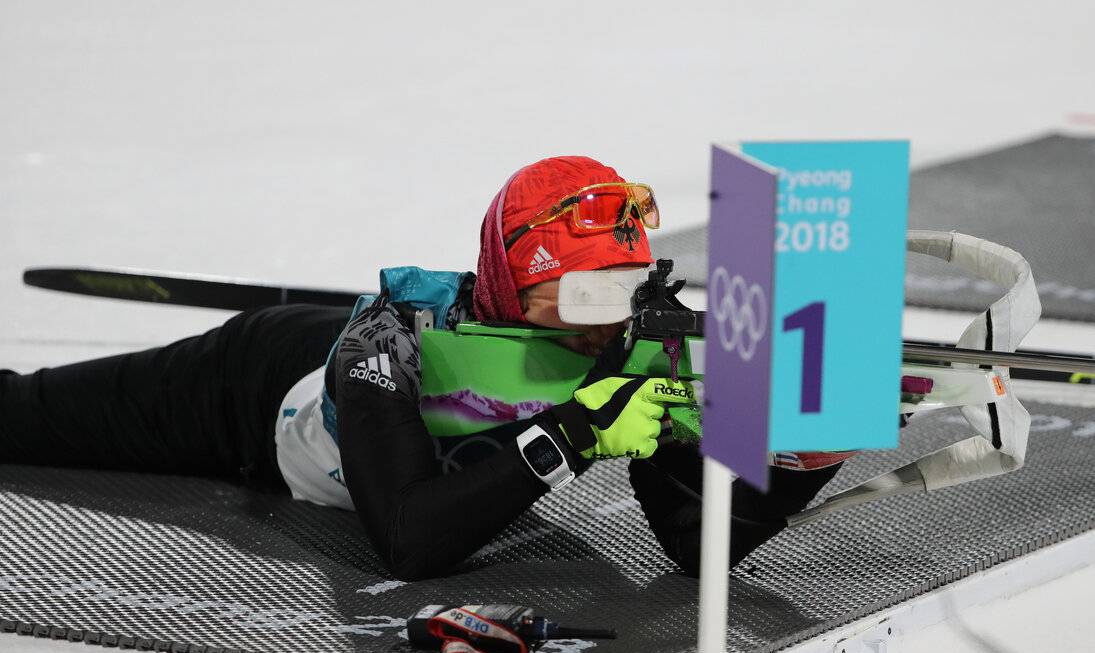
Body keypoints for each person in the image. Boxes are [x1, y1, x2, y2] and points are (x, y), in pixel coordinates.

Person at [0, 156, 842, 580]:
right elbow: (408, 539)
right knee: (22, 415)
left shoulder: (635, 340)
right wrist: (580, 433)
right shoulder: (388, 340)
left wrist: (807, 457)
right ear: (514, 285)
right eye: (585, 294)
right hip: (245, 388)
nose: (611, 318)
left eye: (627, 287)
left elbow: (696, 546)